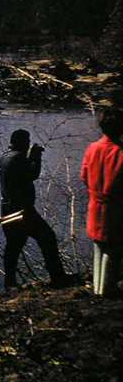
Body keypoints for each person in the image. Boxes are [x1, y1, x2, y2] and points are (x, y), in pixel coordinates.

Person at [0, 129, 67, 291]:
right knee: (48, 238)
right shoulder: (18, 158)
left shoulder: (4, 157)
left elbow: (21, 174)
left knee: (13, 248)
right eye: (27, 141)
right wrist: (35, 155)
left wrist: (30, 155)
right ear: (22, 142)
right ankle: (58, 278)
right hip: (23, 212)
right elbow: (32, 173)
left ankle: (10, 284)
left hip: (8, 211)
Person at [81, 108, 123, 298]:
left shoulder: (92, 147)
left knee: (99, 245)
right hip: (115, 208)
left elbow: (84, 176)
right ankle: (106, 290)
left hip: (95, 206)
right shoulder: (120, 152)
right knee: (113, 249)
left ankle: (98, 287)